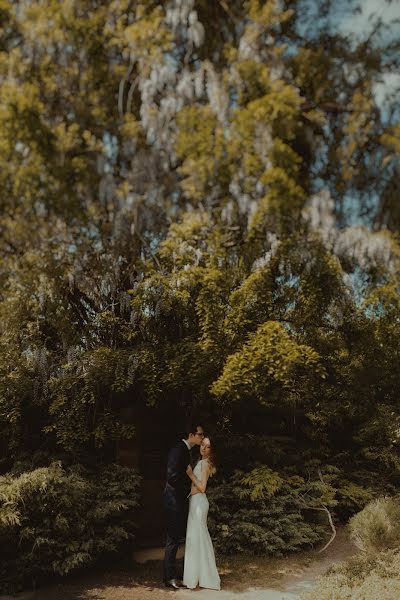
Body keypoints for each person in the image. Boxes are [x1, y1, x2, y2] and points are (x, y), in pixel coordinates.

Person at [163, 422, 205, 589]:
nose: (202, 437)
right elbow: (172, 477)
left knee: (176, 538)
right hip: (173, 500)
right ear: (191, 435)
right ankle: (169, 578)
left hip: (178, 500)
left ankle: (173, 574)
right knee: (172, 539)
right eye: (200, 434)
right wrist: (189, 489)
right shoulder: (178, 449)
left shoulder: (186, 450)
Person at [183, 436, 221, 591]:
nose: (204, 448)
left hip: (199, 503)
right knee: (194, 538)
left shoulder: (205, 464)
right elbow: (195, 487)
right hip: (195, 502)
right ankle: (197, 576)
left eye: (208, 446)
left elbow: (203, 487)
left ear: (212, 450)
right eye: (203, 445)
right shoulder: (201, 461)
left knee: (198, 538)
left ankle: (206, 577)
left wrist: (191, 475)